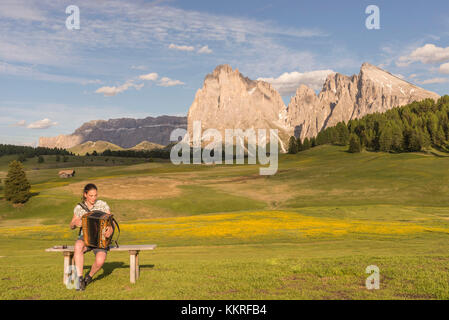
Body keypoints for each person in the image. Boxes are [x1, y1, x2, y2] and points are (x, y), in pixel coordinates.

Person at [70, 183, 113, 291]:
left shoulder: (102, 205)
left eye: (95, 195)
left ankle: (88, 277)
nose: (93, 198)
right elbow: (71, 225)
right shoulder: (79, 208)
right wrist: (76, 223)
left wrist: (110, 229)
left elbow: (110, 222)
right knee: (78, 245)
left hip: (100, 239)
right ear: (85, 194)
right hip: (85, 237)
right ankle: (79, 279)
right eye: (91, 195)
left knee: (100, 260)